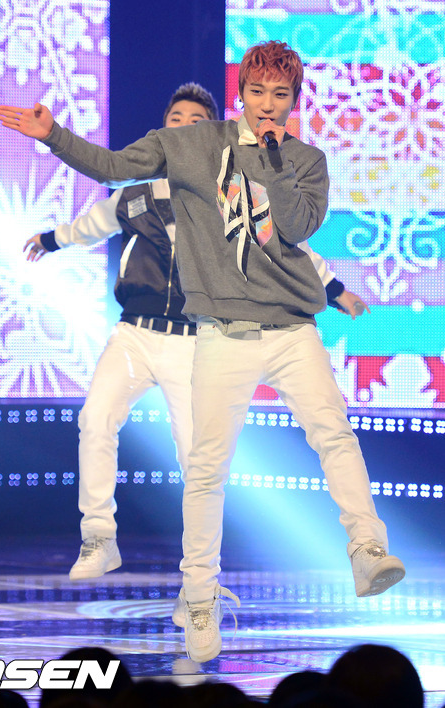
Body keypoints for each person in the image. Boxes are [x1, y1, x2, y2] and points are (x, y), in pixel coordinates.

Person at [0, 40, 405, 664]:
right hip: (219, 333)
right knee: (205, 468)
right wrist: (54, 135)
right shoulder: (191, 146)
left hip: (292, 330)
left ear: (295, 101)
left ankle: (367, 550)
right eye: (257, 92)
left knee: (334, 434)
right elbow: (112, 168)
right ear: (241, 93)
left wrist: (272, 163)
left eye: (281, 96)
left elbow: (295, 230)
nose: (268, 105)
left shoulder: (306, 160)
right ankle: (200, 597)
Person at [22, 82, 365, 582]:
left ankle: (201, 578)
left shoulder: (224, 187)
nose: (184, 127)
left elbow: (288, 248)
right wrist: (50, 239)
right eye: (175, 119)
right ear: (164, 130)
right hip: (134, 334)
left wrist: (335, 290)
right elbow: (88, 225)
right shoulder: (132, 195)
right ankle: (98, 537)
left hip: (193, 340)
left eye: (196, 121)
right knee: (96, 419)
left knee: (197, 457)